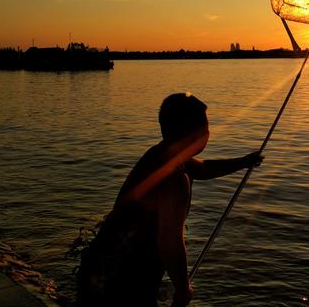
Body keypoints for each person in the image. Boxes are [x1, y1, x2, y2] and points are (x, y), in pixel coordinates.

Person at [76, 92, 262, 306]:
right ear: (196, 134)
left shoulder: (160, 155)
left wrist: (244, 162)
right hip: (124, 279)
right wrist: (183, 290)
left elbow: (204, 168)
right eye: (206, 126)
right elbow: (170, 244)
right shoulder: (175, 180)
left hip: (99, 267)